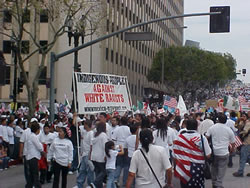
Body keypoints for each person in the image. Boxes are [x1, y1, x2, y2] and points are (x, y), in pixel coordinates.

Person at [173, 119, 211, 188]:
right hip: (198, 168)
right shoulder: (201, 138)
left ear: (186, 126)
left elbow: (174, 155)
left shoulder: (179, 138)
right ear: (197, 127)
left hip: (183, 168)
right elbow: (208, 155)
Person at [206, 113, 235, 188]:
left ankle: (214, 182)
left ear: (218, 120)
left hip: (214, 152)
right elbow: (233, 142)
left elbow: (206, 137)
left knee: (214, 168)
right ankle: (218, 184)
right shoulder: (228, 130)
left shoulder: (213, 127)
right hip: (224, 152)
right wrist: (232, 149)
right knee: (222, 169)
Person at [112, 116, 131, 187]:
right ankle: (125, 182)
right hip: (126, 149)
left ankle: (115, 179)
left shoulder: (117, 129)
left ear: (120, 122)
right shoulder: (129, 129)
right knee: (126, 166)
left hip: (118, 149)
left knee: (118, 165)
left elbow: (113, 139)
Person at [76, 120, 95, 188]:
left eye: (84, 124)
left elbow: (91, 145)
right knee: (82, 170)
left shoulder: (91, 133)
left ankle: (90, 184)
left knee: (89, 170)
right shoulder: (85, 133)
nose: (83, 126)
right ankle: (79, 184)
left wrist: (90, 155)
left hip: (88, 154)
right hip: (84, 154)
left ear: (87, 125)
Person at [90, 121, 108, 188]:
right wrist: (106, 155)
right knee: (104, 172)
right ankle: (95, 183)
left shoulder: (95, 135)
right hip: (100, 157)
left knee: (98, 172)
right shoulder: (103, 135)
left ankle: (97, 186)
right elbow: (105, 146)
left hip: (94, 156)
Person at [26, 122, 44, 188]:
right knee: (35, 174)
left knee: (31, 175)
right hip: (33, 157)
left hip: (31, 157)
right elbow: (40, 147)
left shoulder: (31, 136)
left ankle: (29, 186)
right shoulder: (34, 137)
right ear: (37, 130)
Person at [233, 112, 250, 177]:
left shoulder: (248, 123)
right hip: (245, 142)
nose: (243, 117)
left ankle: (240, 172)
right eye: (242, 116)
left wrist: (240, 134)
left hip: (246, 142)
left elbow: (245, 131)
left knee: (243, 157)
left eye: (244, 116)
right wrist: (238, 120)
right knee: (248, 158)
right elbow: (236, 126)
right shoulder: (243, 122)